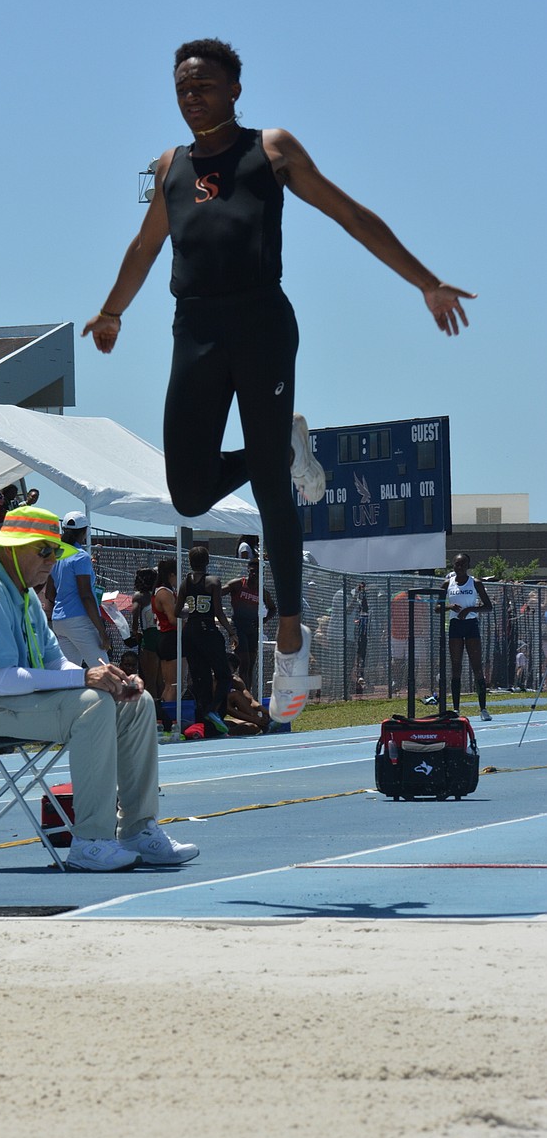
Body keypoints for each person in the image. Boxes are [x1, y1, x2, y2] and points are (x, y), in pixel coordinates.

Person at [84, 37, 474, 727]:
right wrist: (113, 310)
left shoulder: (271, 148)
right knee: (188, 488)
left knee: (270, 489)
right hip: (195, 328)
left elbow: (350, 214)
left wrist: (425, 281)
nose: (191, 92)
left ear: (235, 88)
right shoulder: (171, 166)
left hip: (261, 323)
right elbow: (146, 246)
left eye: (203, 82)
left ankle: (290, 639)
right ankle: (285, 448)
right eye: (181, 85)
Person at [0, 506, 198, 871]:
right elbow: (6, 679)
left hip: (6, 703)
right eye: (44, 550)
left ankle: (138, 829)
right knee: (92, 705)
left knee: (136, 703)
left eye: (56, 551)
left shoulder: (24, 596)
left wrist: (107, 677)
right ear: (11, 549)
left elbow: (56, 663)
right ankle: (91, 840)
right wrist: (85, 680)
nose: (52, 560)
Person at [175, 545, 235, 733]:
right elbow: (218, 612)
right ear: (207, 561)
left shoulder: (185, 583)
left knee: (201, 680)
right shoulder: (213, 582)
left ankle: (207, 725)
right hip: (207, 629)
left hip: (190, 631)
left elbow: (177, 612)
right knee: (224, 674)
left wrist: (192, 610)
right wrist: (231, 632)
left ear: (190, 562)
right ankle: (213, 710)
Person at [45, 511, 109, 667]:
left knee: (66, 676)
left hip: (59, 621)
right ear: (85, 531)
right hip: (79, 620)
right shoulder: (81, 556)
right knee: (105, 671)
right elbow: (86, 595)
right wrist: (101, 630)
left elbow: (49, 594)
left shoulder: (57, 555)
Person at [438, 553, 493, 721]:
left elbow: (488, 607)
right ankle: (455, 708)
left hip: (470, 626)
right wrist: (449, 606)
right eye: (456, 564)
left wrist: (469, 610)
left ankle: (483, 708)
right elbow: (437, 608)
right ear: (453, 566)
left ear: (468, 566)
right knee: (456, 667)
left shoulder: (475, 583)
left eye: (462, 564)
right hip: (455, 627)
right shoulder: (448, 583)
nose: (459, 567)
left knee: (476, 666)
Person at [222, 555, 275, 688]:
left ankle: (247, 695)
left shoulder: (262, 591)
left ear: (261, 574)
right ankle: (240, 693)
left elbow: (273, 608)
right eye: (251, 571)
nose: (253, 574)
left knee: (251, 663)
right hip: (238, 627)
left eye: (256, 572)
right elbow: (219, 591)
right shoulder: (238, 584)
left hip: (252, 628)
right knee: (243, 661)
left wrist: (264, 619)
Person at [126, 567, 161, 700]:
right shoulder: (160, 594)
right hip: (161, 634)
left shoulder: (140, 596)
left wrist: (135, 632)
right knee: (160, 678)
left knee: (149, 679)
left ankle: (153, 709)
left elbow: (134, 616)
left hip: (149, 636)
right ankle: (162, 708)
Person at [152, 557, 180, 704]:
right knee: (172, 684)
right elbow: (173, 619)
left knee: (172, 684)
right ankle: (168, 718)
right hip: (169, 637)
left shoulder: (166, 591)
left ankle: (167, 714)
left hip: (168, 637)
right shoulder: (164, 592)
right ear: (171, 575)